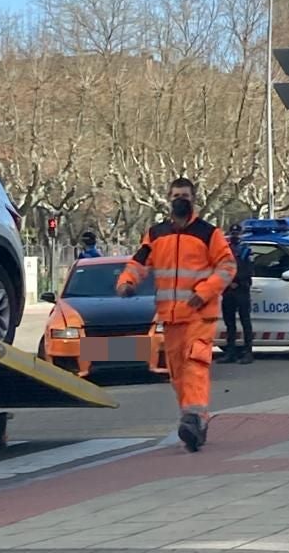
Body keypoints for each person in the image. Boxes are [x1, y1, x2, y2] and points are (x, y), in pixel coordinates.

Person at [116, 177, 236, 452]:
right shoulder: (156, 234)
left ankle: (194, 418)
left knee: (195, 366)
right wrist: (126, 282)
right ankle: (193, 422)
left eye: (185, 195)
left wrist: (204, 292)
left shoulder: (209, 233)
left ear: (194, 199)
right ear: (168, 199)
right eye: (175, 195)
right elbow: (139, 262)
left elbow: (227, 267)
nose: (180, 199)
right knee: (178, 374)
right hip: (170, 318)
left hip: (198, 315)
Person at [217, 223, 254, 364]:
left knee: (245, 322)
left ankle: (248, 352)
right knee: (229, 323)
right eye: (233, 234)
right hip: (227, 290)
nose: (235, 236)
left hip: (242, 290)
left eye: (237, 234)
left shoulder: (246, 250)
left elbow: (248, 270)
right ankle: (230, 352)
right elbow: (220, 268)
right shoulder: (224, 250)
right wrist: (227, 282)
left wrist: (237, 282)